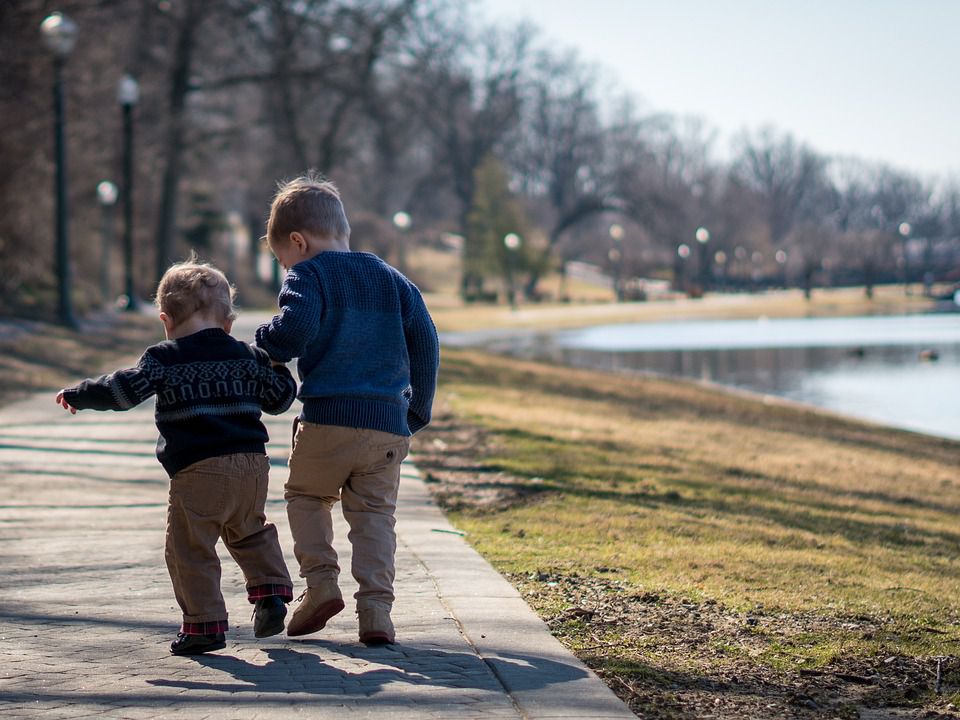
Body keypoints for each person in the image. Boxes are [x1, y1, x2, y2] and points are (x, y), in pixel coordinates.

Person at [56, 259, 297, 656]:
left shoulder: (164, 358)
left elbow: (123, 391)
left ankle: (204, 625)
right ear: (228, 321)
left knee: (189, 547)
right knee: (250, 530)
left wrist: (81, 394)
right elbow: (279, 399)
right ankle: (271, 594)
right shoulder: (246, 355)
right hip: (252, 466)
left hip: (198, 469)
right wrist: (278, 364)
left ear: (166, 320)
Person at [256, 173, 439, 645]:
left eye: (282, 259)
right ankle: (376, 611)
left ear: (299, 242)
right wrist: (417, 409)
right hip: (387, 426)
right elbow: (426, 341)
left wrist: (264, 341)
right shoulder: (393, 279)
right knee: (375, 516)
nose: (285, 267)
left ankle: (320, 585)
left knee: (306, 497)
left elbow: (292, 334)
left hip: (328, 420)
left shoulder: (308, 274)